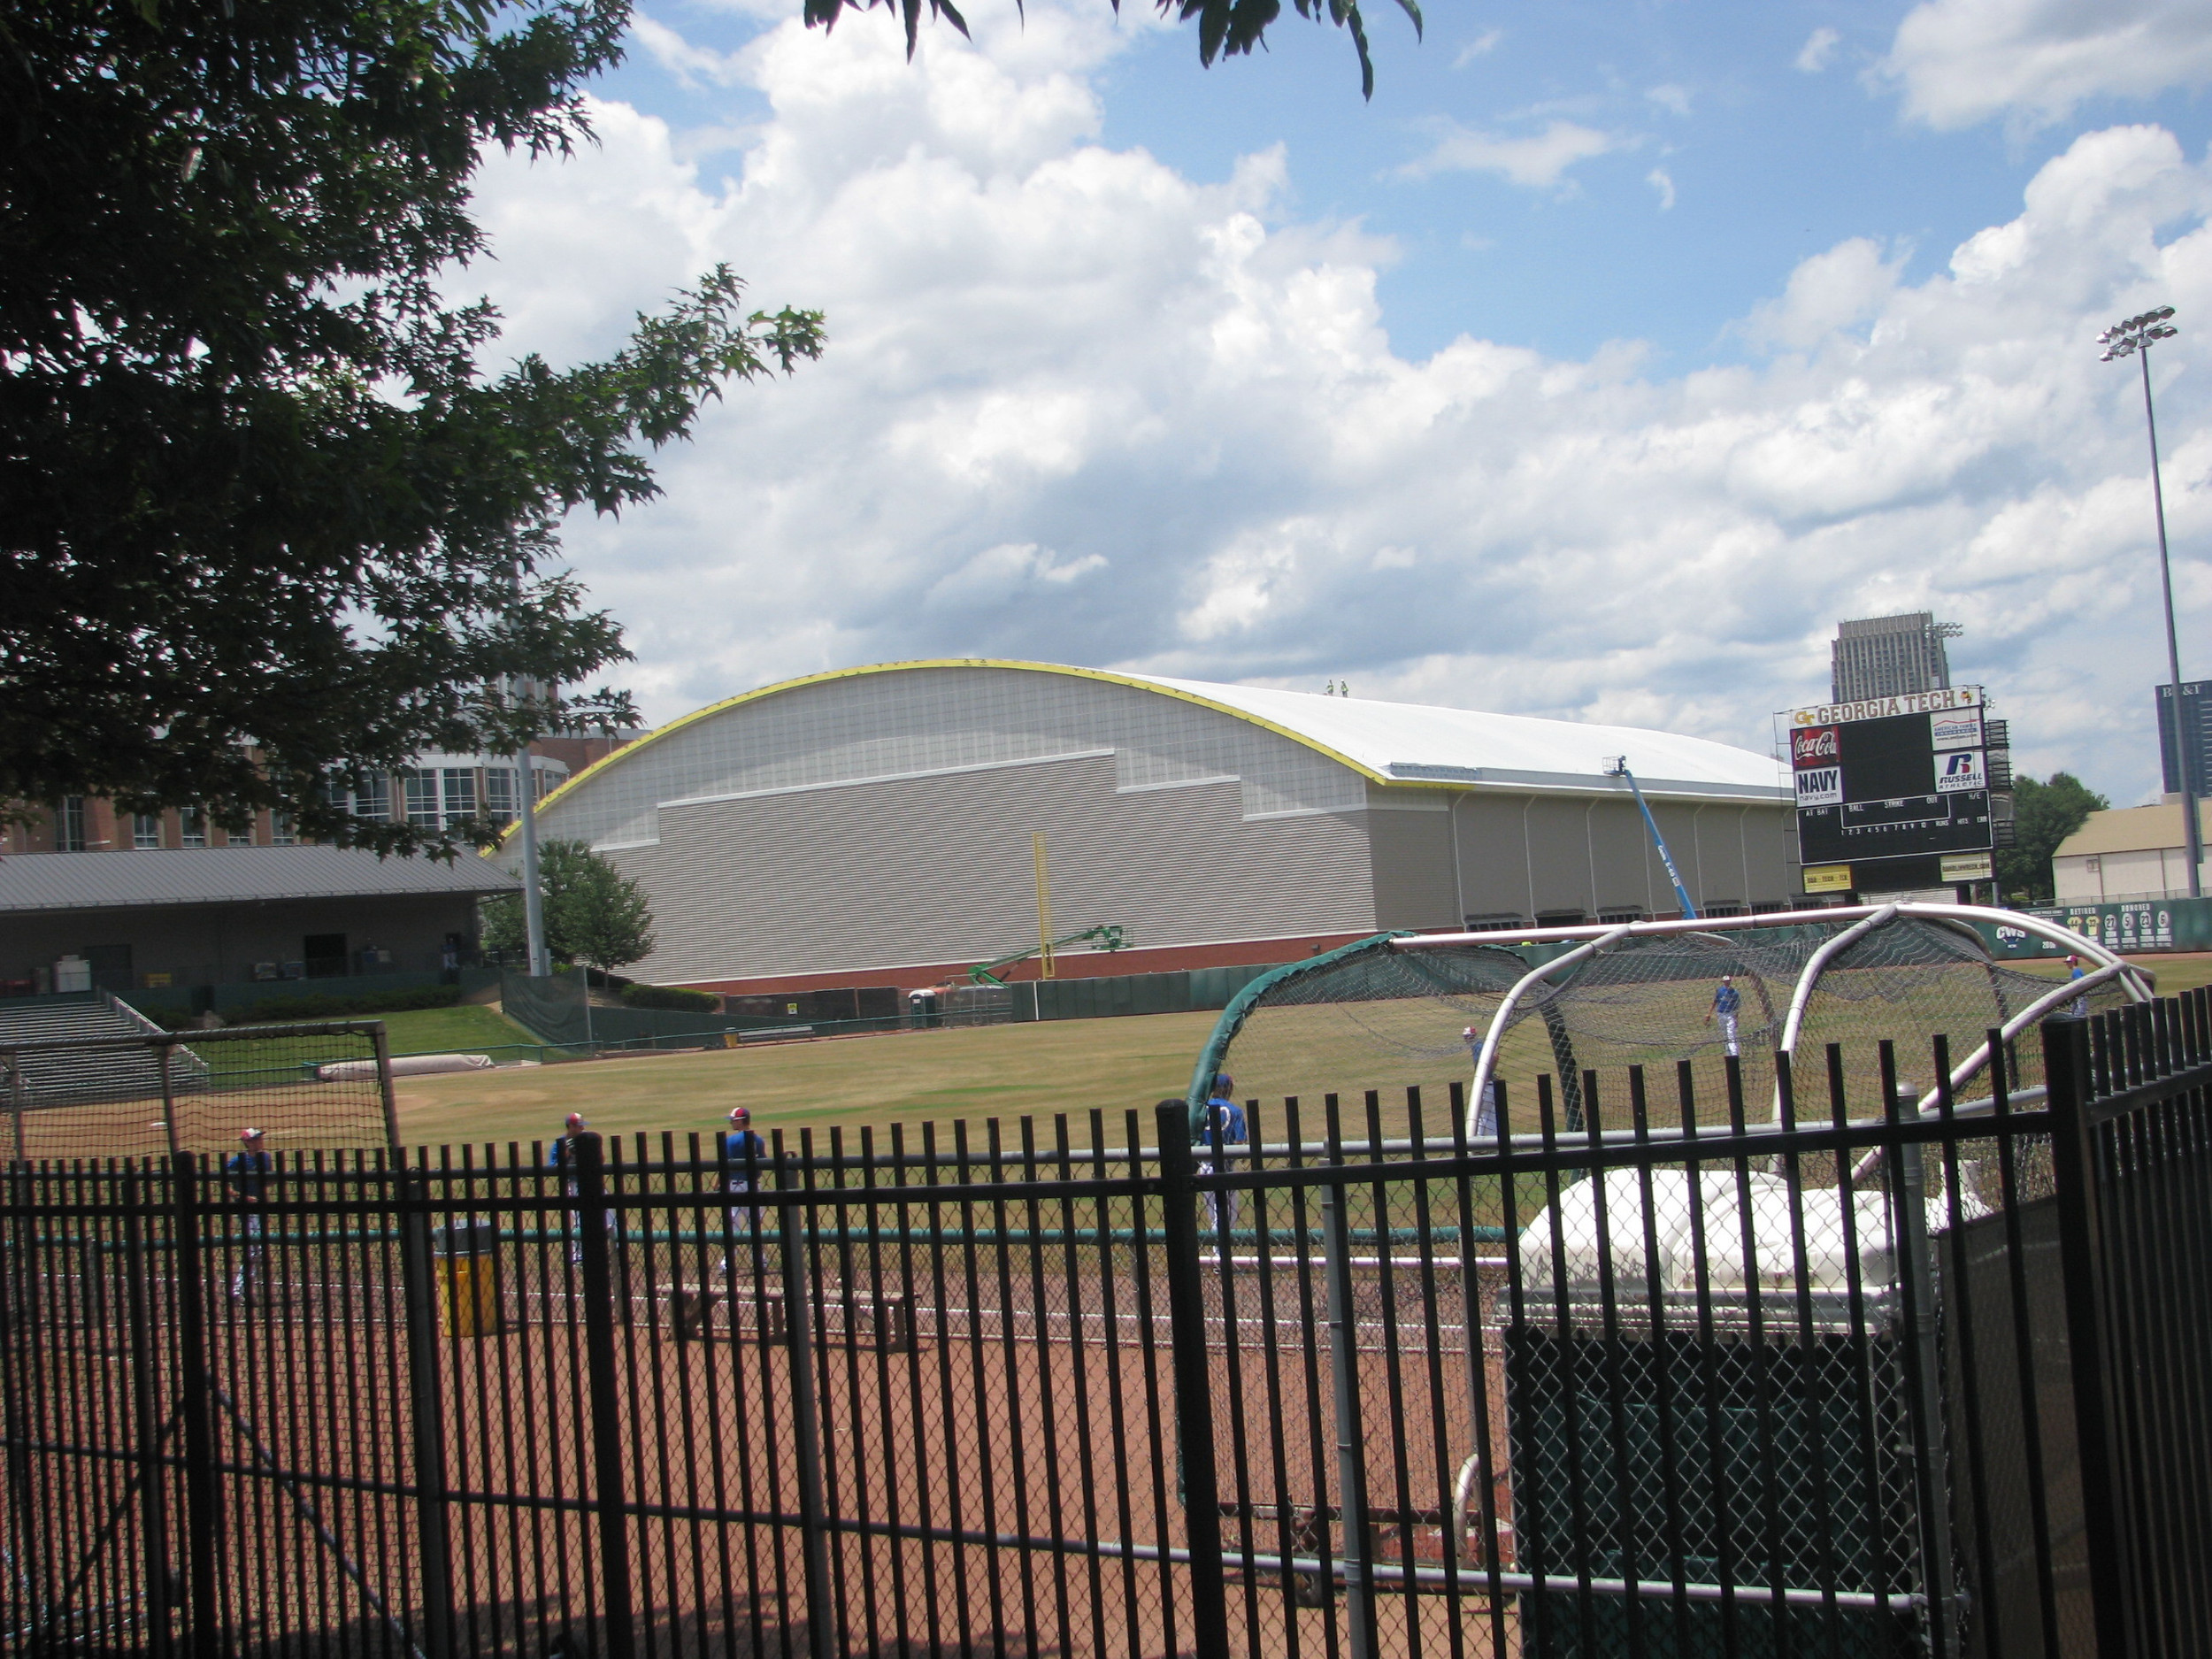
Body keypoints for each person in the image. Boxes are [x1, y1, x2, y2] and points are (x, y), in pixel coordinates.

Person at [714, 1105, 768, 1279]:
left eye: (733, 1120)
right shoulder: (758, 1140)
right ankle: (761, 1262)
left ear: (740, 1121)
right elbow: (763, 1162)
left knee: (733, 1225)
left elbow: (725, 1165)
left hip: (735, 1186)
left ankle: (727, 1264)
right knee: (755, 1225)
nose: (731, 1123)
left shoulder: (730, 1141)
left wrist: (717, 1184)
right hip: (754, 1185)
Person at [548, 1111, 608, 1265]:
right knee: (578, 1221)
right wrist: (566, 1154)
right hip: (573, 1184)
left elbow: (600, 1160)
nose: (582, 1128)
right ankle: (578, 1256)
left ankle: (612, 1249)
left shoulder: (588, 1139)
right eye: (579, 1126)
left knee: (609, 1216)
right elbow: (552, 1166)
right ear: (571, 1126)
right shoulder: (560, 1143)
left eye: (582, 1125)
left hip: (593, 1183)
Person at [1194, 1074, 1247, 1236]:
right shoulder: (1235, 1111)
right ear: (1228, 1089)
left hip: (1205, 1167)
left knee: (1215, 1216)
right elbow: (1240, 1143)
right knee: (1227, 1217)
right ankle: (1221, 1256)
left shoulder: (1200, 1111)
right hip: (1226, 1169)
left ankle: (1220, 1254)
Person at [227, 1127, 271, 1304]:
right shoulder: (237, 1162)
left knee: (258, 1250)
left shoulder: (265, 1158)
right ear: (247, 1142)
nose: (260, 1141)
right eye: (256, 1139)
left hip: (260, 1208)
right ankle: (238, 1288)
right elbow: (225, 1185)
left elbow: (268, 1181)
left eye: (260, 1138)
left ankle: (247, 1288)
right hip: (245, 1209)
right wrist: (243, 1197)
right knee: (255, 1250)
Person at [1463, 1028, 1500, 1138]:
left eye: (1468, 1036)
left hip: (1486, 1084)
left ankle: (1480, 1140)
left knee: (1483, 1114)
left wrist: (1488, 1074)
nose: (1466, 1039)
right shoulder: (1476, 1046)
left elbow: (1495, 1057)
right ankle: (1488, 1140)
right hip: (1487, 1083)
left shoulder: (1478, 1046)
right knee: (1487, 1114)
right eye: (1465, 1037)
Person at [1706, 973, 1741, 1058]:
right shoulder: (1720, 991)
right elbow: (1714, 1002)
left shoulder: (1735, 993)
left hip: (1730, 1015)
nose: (1727, 983)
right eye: (1725, 981)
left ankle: (1734, 1054)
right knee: (1724, 1034)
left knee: (1731, 1034)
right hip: (1721, 1014)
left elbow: (1736, 1007)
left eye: (1728, 981)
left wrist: (1736, 1018)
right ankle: (1728, 1054)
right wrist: (1709, 1013)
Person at [2066, 954, 2089, 1019]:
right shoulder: (2077, 970)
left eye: (2068, 962)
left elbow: (2080, 982)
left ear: (2073, 962)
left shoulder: (2076, 971)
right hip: (2079, 995)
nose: (2067, 964)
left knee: (2079, 1015)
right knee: (2075, 1012)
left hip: (2080, 995)